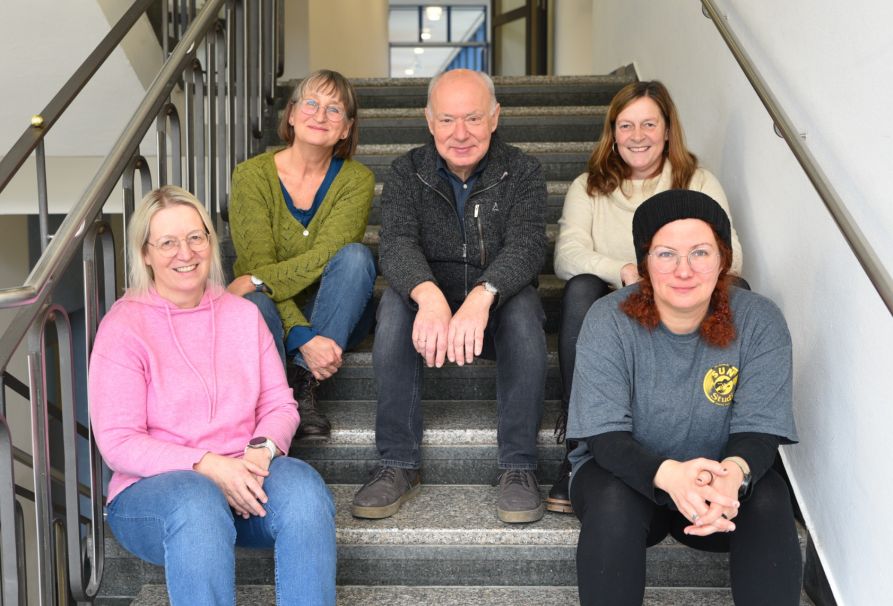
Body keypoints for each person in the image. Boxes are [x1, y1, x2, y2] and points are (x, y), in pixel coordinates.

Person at [89, 186, 336, 606]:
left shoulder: (244, 315)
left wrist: (261, 450)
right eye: (167, 242)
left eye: (195, 237)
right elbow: (119, 444)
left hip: (244, 480)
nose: (184, 253)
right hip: (153, 498)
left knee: (305, 492)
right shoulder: (123, 327)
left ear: (209, 241)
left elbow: (279, 404)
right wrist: (208, 465)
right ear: (145, 253)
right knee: (197, 499)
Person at [567, 189, 801, 605]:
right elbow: (604, 437)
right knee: (612, 503)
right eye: (666, 254)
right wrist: (670, 476)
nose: (684, 270)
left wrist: (733, 474)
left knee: (768, 496)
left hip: (719, 486)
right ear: (645, 262)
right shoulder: (608, 319)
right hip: (628, 480)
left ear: (723, 259)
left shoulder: (759, 319)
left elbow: (760, 429)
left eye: (700, 252)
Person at [350, 69, 548, 524]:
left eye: (474, 118)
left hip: (494, 311)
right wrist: (429, 296)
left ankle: (519, 466)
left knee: (523, 311)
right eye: (447, 120)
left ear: (495, 117)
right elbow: (397, 244)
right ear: (429, 120)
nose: (461, 134)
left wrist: (483, 294)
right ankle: (397, 461)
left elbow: (527, 246)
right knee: (395, 309)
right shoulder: (406, 170)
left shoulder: (523, 170)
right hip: (430, 312)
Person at [547, 80, 745, 513]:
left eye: (649, 124)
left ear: (669, 130)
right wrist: (624, 272)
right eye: (626, 125)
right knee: (581, 290)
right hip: (619, 305)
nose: (637, 135)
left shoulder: (697, 182)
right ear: (612, 133)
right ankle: (580, 444)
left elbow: (733, 259)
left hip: (682, 304)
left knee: (739, 295)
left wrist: (671, 278)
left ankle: (729, 454)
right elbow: (567, 254)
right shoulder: (590, 186)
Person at [228, 69, 376, 439]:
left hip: (337, 308)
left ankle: (303, 384)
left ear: (346, 128)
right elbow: (257, 260)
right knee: (254, 304)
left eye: (334, 109)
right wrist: (303, 339)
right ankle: (284, 398)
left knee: (357, 258)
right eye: (310, 103)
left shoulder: (356, 180)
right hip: (272, 314)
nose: (320, 115)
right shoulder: (251, 176)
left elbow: (329, 255)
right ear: (291, 115)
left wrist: (260, 279)